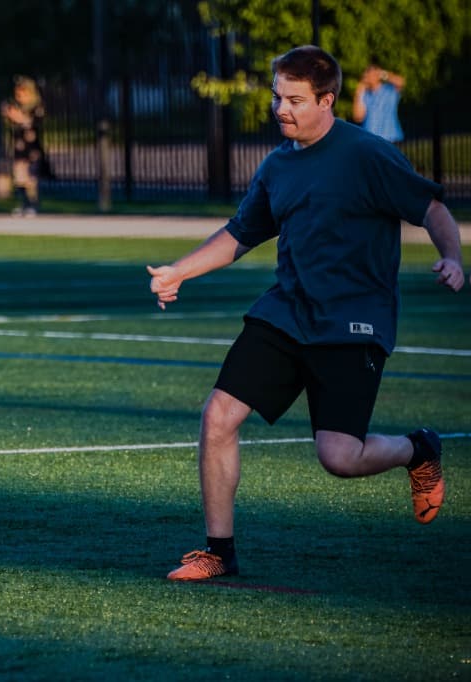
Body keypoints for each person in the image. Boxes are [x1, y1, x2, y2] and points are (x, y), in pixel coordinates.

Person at [147, 46, 464, 582]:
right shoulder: (278, 166)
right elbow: (240, 235)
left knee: (339, 457)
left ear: (327, 100)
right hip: (286, 313)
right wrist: (180, 271)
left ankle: (418, 448)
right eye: (277, 97)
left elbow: (432, 208)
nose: (281, 109)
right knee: (218, 416)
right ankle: (218, 552)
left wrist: (453, 257)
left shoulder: (368, 155)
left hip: (353, 322)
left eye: (294, 99)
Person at [1, 76, 51, 217]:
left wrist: (17, 117)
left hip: (32, 150)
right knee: (19, 178)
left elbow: (32, 123)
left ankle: (33, 204)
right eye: (17, 94)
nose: (19, 97)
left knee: (31, 179)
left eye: (22, 94)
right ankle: (24, 204)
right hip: (19, 149)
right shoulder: (17, 107)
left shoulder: (36, 108)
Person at [352, 62, 406, 143]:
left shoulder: (389, 89)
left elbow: (401, 82)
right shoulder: (364, 94)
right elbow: (358, 117)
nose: (365, 75)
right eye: (365, 73)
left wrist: (383, 74)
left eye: (368, 72)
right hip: (370, 140)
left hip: (391, 139)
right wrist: (358, 94)